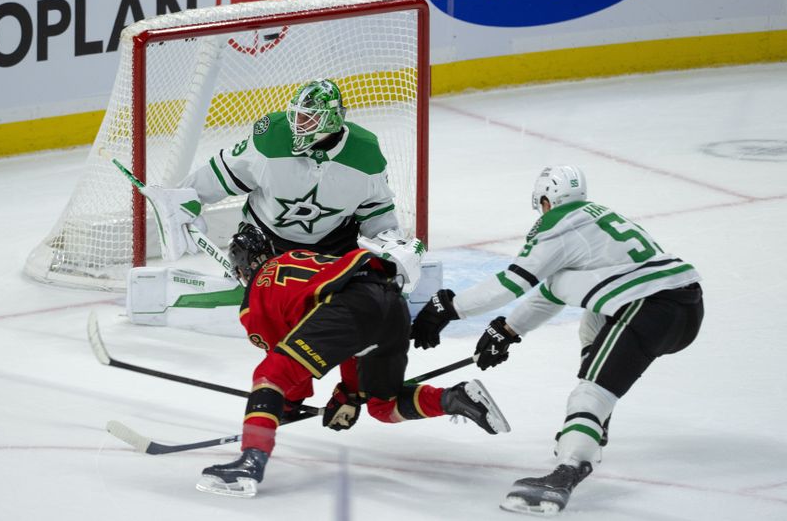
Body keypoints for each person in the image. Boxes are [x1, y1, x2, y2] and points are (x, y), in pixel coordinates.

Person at [410, 165, 704, 515]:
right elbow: (555, 290)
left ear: (547, 200)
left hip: (649, 305)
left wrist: (451, 307)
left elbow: (513, 282)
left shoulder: (556, 223)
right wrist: (508, 330)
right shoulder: (597, 217)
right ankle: (595, 423)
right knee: (592, 322)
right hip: (686, 303)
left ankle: (567, 470)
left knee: (590, 391)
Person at [195, 224, 511, 498]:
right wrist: (348, 393)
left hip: (350, 311)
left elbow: (290, 373)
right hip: (391, 303)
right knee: (382, 405)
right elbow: (348, 338)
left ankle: (250, 462)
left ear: (243, 267)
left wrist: (285, 406)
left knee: (270, 374)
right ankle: (455, 398)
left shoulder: (255, 297)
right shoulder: (301, 257)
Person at [142, 77, 424, 286]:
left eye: (309, 119)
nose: (298, 125)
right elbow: (223, 173)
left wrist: (392, 244)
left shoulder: (365, 154)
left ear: (332, 121)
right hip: (267, 243)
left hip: (333, 245)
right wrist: (186, 197)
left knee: (366, 285)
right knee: (247, 246)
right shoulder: (272, 137)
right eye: (297, 116)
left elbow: (377, 214)